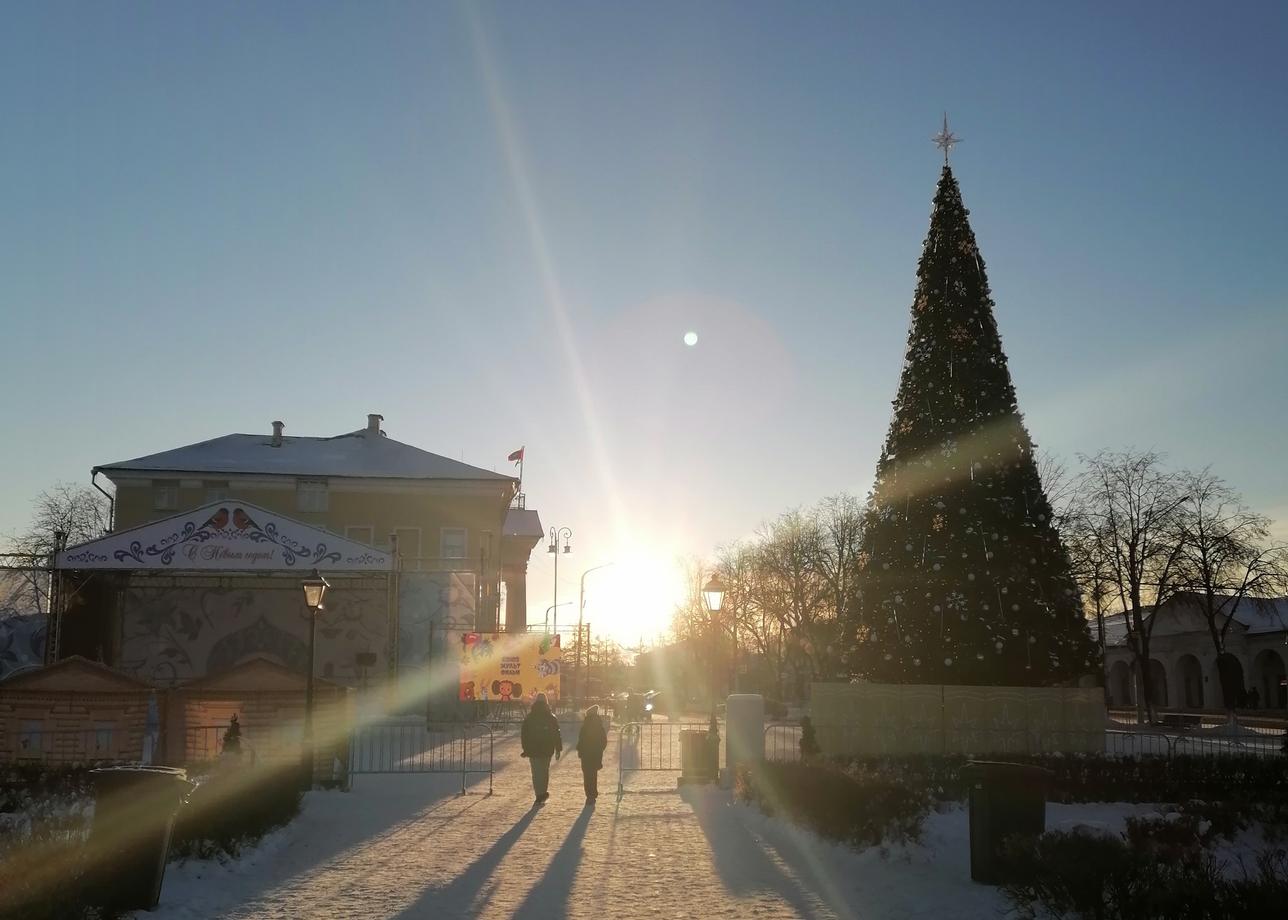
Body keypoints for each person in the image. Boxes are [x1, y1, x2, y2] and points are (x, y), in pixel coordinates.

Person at [520, 693, 562, 804]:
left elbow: (524, 734)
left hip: (533, 749)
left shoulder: (530, 717)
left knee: (536, 772)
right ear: (546, 702)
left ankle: (539, 794)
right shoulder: (551, 717)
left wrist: (525, 749)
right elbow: (556, 733)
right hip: (547, 748)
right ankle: (543, 792)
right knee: (544, 771)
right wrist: (558, 748)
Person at [575, 705, 608, 800]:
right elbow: (603, 740)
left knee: (587, 774)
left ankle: (589, 794)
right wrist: (600, 749)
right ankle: (593, 793)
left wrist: (580, 750)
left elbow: (581, 740)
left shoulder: (585, 726)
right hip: (596, 753)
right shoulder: (599, 726)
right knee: (593, 774)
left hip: (586, 754)